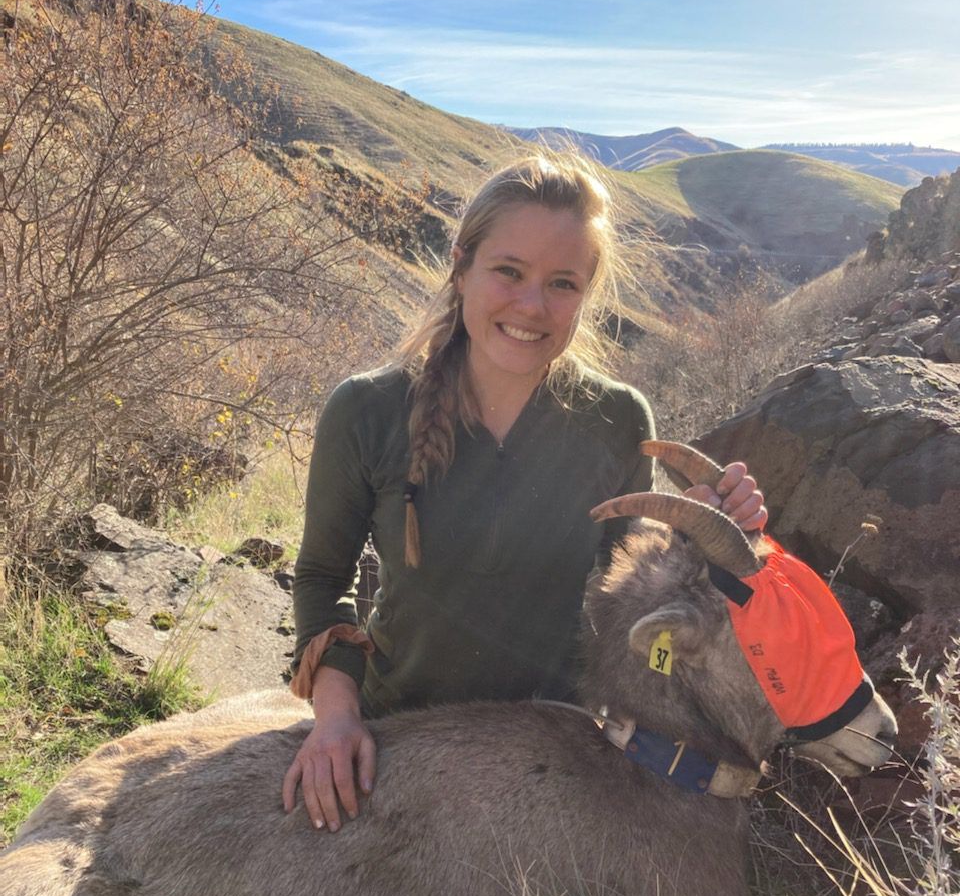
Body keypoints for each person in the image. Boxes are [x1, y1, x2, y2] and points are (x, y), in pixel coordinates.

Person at [283, 155, 766, 832]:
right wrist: (335, 720)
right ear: (462, 265)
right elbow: (321, 576)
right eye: (508, 271)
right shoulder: (366, 410)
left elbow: (624, 597)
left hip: (559, 754)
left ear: (587, 293)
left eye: (562, 283)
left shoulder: (619, 419)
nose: (532, 305)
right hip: (399, 740)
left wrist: (705, 540)